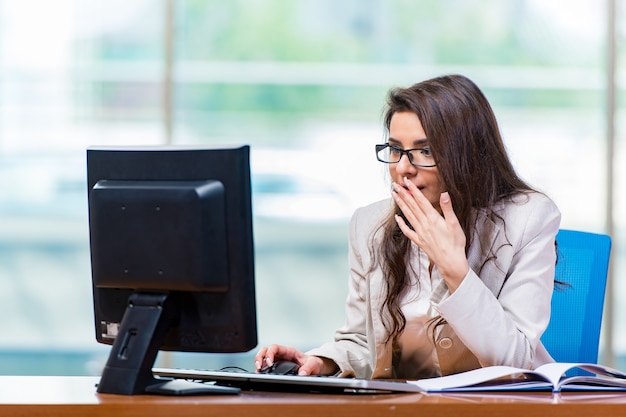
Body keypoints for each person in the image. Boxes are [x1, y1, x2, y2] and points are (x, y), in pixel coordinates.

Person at [254, 74, 561, 380]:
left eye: (425, 151)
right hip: (402, 405)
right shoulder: (368, 226)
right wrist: (319, 362)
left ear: (467, 156)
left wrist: (455, 269)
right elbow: (362, 342)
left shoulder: (528, 218)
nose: (402, 168)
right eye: (395, 150)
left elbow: (516, 361)